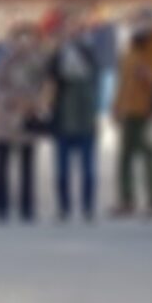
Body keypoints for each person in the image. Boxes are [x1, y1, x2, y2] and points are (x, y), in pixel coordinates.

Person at [0, 23, 50, 223]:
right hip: (6, 116)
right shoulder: (3, 61)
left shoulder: (39, 63)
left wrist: (35, 103)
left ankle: (27, 205)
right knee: (2, 162)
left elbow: (46, 87)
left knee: (27, 164)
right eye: (19, 39)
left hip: (28, 115)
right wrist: (8, 100)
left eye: (27, 39)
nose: (23, 43)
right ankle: (1, 204)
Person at [111, 13, 152, 217]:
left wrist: (149, 76)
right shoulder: (130, 51)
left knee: (150, 157)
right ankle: (126, 199)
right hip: (129, 110)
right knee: (125, 157)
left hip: (148, 111)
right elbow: (122, 80)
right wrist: (117, 105)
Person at [49, 23, 101, 221]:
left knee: (87, 170)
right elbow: (50, 79)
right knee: (63, 170)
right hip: (64, 122)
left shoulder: (89, 57)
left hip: (85, 122)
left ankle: (87, 207)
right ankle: (64, 207)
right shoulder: (58, 59)